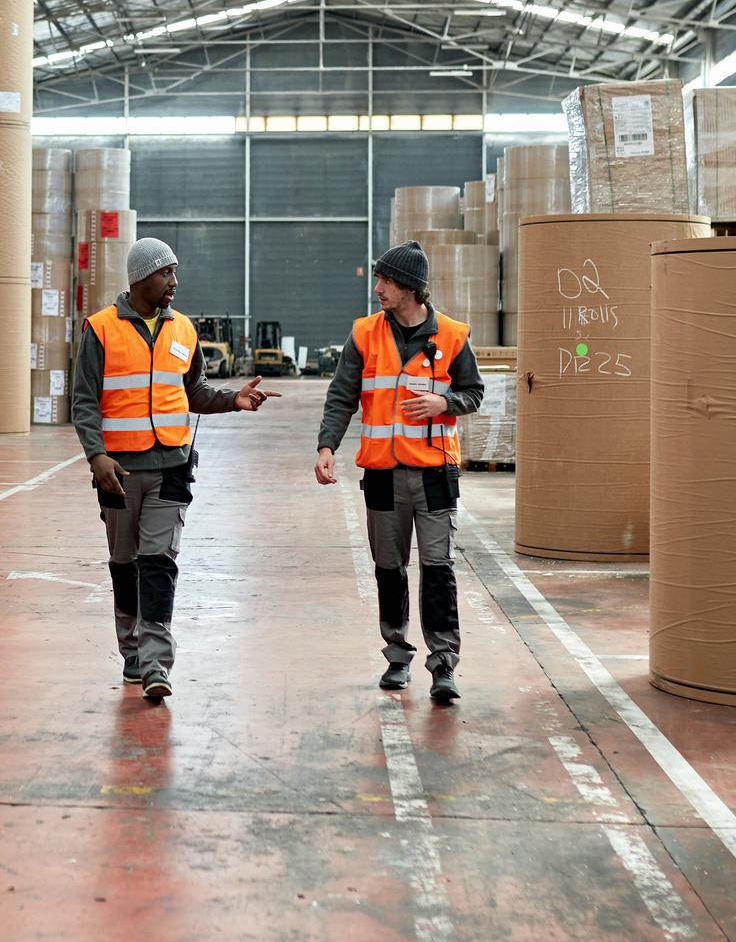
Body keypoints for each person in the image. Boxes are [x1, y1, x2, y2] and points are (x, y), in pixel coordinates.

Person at [72, 236, 274, 702]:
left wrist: (234, 401)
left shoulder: (183, 330)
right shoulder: (100, 329)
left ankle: (157, 662)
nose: (175, 283)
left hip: (172, 466)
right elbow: (83, 402)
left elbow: (195, 392)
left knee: (158, 563)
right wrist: (96, 456)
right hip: (118, 473)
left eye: (175, 273)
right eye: (167, 273)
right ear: (142, 277)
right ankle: (132, 654)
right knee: (125, 567)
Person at [313, 240, 485, 703]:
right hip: (384, 474)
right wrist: (327, 445)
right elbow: (342, 395)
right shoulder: (365, 334)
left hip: (434, 473)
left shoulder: (450, 335)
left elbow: (474, 392)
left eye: (385, 280)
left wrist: (443, 402)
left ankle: (444, 665)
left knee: (437, 570)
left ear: (410, 288)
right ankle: (396, 655)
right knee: (389, 569)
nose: (378, 288)